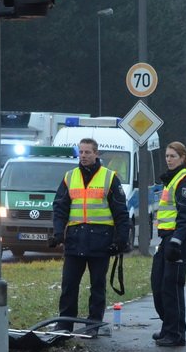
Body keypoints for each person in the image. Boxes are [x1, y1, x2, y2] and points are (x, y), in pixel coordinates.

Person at [49, 138, 131, 330]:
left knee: (97, 286)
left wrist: (120, 240)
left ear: (96, 154)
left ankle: (94, 322)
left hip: (100, 240)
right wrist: (58, 233)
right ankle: (65, 323)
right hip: (75, 239)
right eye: (81, 152)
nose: (83, 156)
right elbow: (60, 208)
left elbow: (121, 212)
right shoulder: (69, 177)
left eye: (87, 152)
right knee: (69, 284)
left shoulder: (110, 177)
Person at [150, 141, 186, 347]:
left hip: (177, 240)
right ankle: (167, 327)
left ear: (182, 158)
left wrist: (176, 241)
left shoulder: (185, 181)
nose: (168, 159)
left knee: (172, 286)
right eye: (167, 156)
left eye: (172, 156)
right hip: (166, 239)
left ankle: (176, 333)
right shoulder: (172, 180)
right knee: (159, 285)